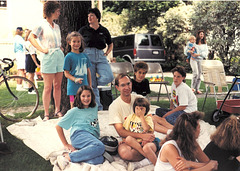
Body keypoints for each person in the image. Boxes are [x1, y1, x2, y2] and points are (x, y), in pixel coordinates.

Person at [109, 73, 156, 170]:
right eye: (123, 85)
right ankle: (151, 158)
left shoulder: (139, 99)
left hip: (145, 138)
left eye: (128, 84)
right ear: (117, 87)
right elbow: (121, 131)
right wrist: (141, 136)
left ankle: (145, 160)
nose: (127, 87)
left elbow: (150, 120)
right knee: (125, 153)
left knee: (149, 146)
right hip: (128, 140)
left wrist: (148, 136)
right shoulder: (114, 106)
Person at [29, 1, 64, 120]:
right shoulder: (41, 25)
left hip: (59, 56)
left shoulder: (57, 26)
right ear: (51, 11)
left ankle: (57, 110)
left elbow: (57, 41)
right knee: (48, 87)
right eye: (58, 11)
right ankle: (46, 113)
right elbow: (31, 38)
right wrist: (41, 49)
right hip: (48, 57)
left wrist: (60, 48)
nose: (59, 13)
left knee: (58, 85)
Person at [56, 85, 105, 170]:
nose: (86, 98)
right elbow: (58, 126)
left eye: (88, 96)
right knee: (100, 147)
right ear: (79, 97)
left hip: (91, 138)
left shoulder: (95, 107)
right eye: (83, 96)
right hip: (79, 135)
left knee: (99, 159)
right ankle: (68, 157)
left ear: (92, 96)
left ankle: (79, 155)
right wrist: (66, 144)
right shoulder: (74, 111)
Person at [79, 8, 114, 111]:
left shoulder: (103, 30)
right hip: (87, 55)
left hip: (100, 55)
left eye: (92, 16)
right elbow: (77, 41)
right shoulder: (83, 30)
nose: (89, 18)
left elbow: (110, 43)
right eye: (88, 16)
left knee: (109, 77)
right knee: (92, 85)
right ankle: (98, 107)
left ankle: (94, 83)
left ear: (97, 18)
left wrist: (107, 53)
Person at [152, 66, 197, 134]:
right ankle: (166, 121)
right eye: (174, 76)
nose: (175, 78)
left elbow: (183, 106)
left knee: (167, 118)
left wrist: (169, 114)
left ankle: (183, 126)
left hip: (187, 112)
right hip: (179, 109)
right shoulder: (174, 84)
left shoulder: (183, 88)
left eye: (178, 77)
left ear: (183, 77)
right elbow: (172, 99)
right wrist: (170, 110)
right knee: (158, 111)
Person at [123, 97, 160, 165]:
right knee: (128, 138)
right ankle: (147, 156)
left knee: (147, 148)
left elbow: (146, 129)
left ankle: (157, 165)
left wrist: (141, 116)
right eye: (137, 108)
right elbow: (126, 131)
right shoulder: (131, 117)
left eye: (142, 109)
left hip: (148, 141)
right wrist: (123, 139)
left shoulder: (148, 118)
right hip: (137, 143)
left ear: (146, 110)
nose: (139, 111)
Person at [64, 31, 92, 108]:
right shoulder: (68, 57)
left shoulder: (85, 56)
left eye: (78, 41)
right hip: (73, 87)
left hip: (84, 87)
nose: (76, 44)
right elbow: (66, 73)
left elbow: (88, 71)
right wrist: (75, 79)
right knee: (73, 107)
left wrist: (90, 85)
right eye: (74, 41)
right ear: (69, 42)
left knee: (85, 105)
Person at [185, 30, 209, 94]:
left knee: (199, 75)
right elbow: (186, 50)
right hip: (193, 59)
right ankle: (192, 88)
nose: (202, 35)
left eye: (203, 34)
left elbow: (205, 53)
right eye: (201, 34)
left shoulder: (204, 44)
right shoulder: (193, 42)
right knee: (195, 73)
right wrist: (189, 52)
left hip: (200, 59)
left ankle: (197, 88)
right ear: (198, 35)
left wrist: (198, 54)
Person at [24, 29, 40, 94]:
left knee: (32, 75)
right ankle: (30, 89)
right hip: (30, 59)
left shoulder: (26, 42)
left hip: (28, 58)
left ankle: (32, 88)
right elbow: (32, 54)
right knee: (31, 75)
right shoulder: (30, 43)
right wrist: (36, 63)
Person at [13, 27, 26, 91]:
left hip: (18, 54)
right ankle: (19, 86)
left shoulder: (16, 38)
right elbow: (25, 45)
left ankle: (19, 85)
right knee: (21, 70)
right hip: (20, 54)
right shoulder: (19, 38)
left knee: (20, 70)